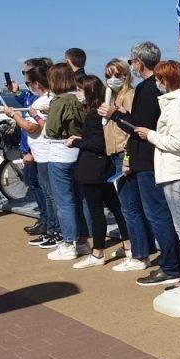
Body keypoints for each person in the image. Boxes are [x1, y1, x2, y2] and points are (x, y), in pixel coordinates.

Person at [98, 42, 180, 286]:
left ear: (139, 63)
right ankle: (173, 262)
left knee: (157, 214)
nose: (132, 66)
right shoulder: (154, 88)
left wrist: (114, 115)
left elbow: (139, 127)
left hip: (147, 160)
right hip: (150, 158)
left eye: (132, 62)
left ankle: (170, 266)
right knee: (159, 213)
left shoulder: (147, 89)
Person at [133, 60, 180, 287]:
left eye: (158, 80)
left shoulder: (176, 105)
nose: (157, 83)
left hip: (175, 172)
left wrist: (150, 135)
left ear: (166, 80)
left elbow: (177, 142)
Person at [68, 75, 130, 269]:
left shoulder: (95, 114)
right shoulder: (97, 112)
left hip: (93, 169)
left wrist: (76, 141)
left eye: (79, 90)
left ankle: (98, 253)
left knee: (97, 211)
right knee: (115, 207)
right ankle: (128, 245)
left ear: (89, 91)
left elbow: (98, 143)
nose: (77, 93)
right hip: (101, 168)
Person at [3, 67, 60, 248]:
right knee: (43, 189)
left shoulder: (42, 102)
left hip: (42, 154)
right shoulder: (42, 100)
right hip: (39, 152)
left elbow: (33, 128)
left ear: (36, 83)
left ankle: (54, 230)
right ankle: (50, 228)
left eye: (28, 82)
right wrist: (17, 93)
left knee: (49, 194)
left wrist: (14, 115)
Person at [43, 63, 90, 260]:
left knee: (64, 201)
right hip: (77, 151)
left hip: (60, 152)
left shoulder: (59, 101)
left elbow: (51, 130)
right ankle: (83, 241)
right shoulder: (78, 99)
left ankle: (68, 242)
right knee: (80, 199)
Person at [102, 58, 144, 270]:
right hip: (112, 153)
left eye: (117, 75)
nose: (112, 79)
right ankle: (138, 248)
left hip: (124, 154)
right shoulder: (111, 97)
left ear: (126, 75)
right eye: (108, 75)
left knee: (130, 207)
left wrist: (127, 158)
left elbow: (132, 129)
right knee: (127, 205)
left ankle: (138, 254)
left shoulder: (129, 96)